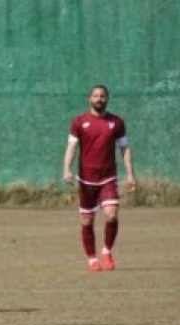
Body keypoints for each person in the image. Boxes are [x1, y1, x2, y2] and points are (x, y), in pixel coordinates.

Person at [62, 84, 136, 272]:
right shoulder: (79, 122)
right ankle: (92, 259)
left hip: (108, 178)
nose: (99, 99)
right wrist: (66, 170)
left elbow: (124, 148)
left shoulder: (116, 123)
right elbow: (71, 147)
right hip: (86, 180)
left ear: (107, 99)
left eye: (102, 96)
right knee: (87, 221)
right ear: (89, 99)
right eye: (95, 96)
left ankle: (106, 251)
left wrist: (130, 174)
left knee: (111, 214)